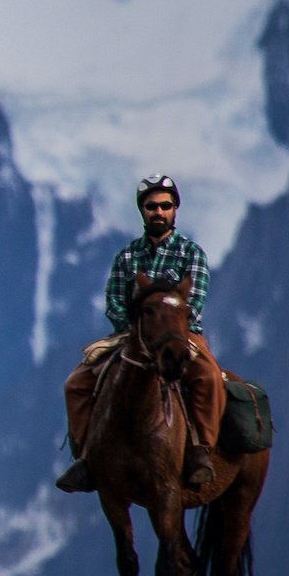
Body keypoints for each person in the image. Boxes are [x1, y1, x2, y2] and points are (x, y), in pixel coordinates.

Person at [56, 175, 221, 492]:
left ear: (175, 209)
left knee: (209, 377)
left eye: (165, 206)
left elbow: (194, 302)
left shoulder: (191, 254)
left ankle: (201, 451)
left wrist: (167, 327)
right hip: (133, 337)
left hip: (179, 336)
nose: (158, 212)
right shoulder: (128, 257)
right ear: (142, 210)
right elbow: (114, 302)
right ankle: (87, 459)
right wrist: (136, 330)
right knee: (75, 383)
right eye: (151, 206)